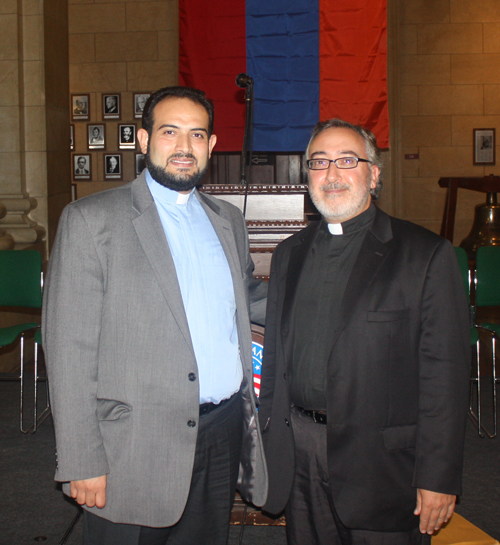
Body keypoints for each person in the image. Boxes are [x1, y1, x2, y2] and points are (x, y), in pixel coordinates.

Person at [43, 86, 268, 545]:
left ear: (211, 144)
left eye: (197, 134)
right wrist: (82, 459)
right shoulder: (92, 221)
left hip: (220, 433)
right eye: (170, 132)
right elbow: (69, 350)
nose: (184, 147)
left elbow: (246, 302)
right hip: (132, 445)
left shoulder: (228, 221)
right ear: (144, 141)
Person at [258, 118, 470, 545]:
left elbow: (445, 379)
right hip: (300, 457)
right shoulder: (288, 254)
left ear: (373, 174)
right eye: (319, 162)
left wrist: (439, 477)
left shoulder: (425, 255)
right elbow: (278, 360)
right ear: (307, 177)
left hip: (383, 467)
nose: (332, 174)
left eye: (347, 160)